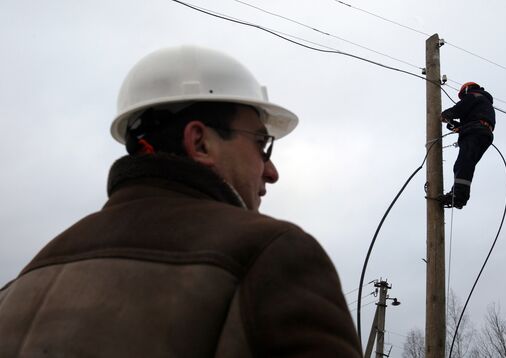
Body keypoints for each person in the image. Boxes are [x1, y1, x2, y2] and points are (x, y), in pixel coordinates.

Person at [0, 46, 362, 357]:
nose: (271, 171)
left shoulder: (21, 285)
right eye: (261, 144)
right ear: (200, 142)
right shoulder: (271, 255)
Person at [439, 82, 495, 209]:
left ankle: (458, 196)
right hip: (482, 132)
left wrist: (445, 114)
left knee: (464, 163)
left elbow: (459, 109)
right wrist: (454, 125)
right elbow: (469, 120)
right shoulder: (482, 104)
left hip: (476, 131)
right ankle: (458, 194)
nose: (462, 98)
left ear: (466, 90)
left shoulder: (474, 96)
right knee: (466, 164)